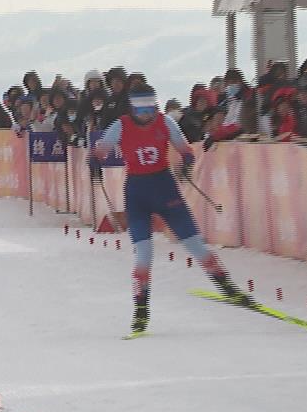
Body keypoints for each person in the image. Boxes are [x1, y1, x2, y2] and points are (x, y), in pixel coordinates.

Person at [92, 84, 258, 337]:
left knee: (195, 244)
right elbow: (100, 151)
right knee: (144, 252)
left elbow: (186, 150)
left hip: (165, 189)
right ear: (133, 108)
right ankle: (140, 310)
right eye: (141, 108)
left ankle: (228, 288)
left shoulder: (165, 122)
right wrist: (95, 163)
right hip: (137, 193)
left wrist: (186, 164)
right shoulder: (121, 125)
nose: (147, 114)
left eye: (150, 107)